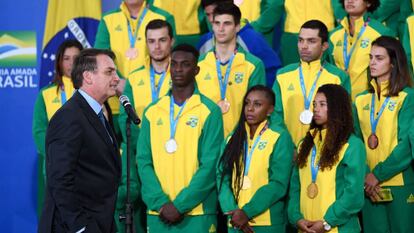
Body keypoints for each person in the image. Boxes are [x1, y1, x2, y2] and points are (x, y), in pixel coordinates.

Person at [136, 44, 224, 232]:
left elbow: (210, 166)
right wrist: (160, 203)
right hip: (158, 213)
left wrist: (180, 205)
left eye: (185, 64)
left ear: (196, 70)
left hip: (197, 213)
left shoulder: (209, 111)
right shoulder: (152, 111)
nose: (178, 69)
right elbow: (143, 161)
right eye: (174, 64)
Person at [38, 49, 121, 233]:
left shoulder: (96, 113)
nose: (116, 78)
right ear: (88, 76)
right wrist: (81, 227)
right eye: (109, 72)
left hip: (100, 221)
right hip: (73, 226)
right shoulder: (69, 117)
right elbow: (59, 180)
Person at [116, 19, 175, 233]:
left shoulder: (179, 75)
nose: (156, 46)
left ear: (171, 41)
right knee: (137, 205)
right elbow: (124, 118)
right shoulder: (135, 77)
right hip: (141, 152)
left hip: (172, 152)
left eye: (162, 40)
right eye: (151, 41)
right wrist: (145, 146)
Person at [353, 36, 414, 233]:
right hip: (369, 186)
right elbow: (355, 144)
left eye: (379, 58)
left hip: (399, 182)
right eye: (370, 57)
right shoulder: (360, 100)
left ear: (394, 62)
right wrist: (365, 175)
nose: (372, 62)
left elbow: (407, 145)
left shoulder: (407, 97)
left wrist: (376, 175)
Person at [288, 84, 366, 233]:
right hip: (306, 228)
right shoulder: (304, 144)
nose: (316, 109)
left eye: (322, 104)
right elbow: (295, 188)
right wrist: (296, 218)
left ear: (337, 107)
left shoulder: (352, 145)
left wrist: (327, 222)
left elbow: (354, 194)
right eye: (314, 104)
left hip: (337, 228)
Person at [217, 85, 294, 233]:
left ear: (270, 110)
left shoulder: (279, 137)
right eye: (247, 103)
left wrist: (247, 212)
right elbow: (222, 176)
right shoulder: (233, 138)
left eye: (257, 104)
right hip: (235, 222)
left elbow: (278, 183)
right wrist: (233, 211)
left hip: (267, 223)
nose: (250, 109)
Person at [94, 0, 175, 137]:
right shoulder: (108, 19)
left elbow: (171, 55)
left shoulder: (163, 17)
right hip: (112, 103)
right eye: (151, 41)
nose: (157, 45)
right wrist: (118, 82)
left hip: (151, 100)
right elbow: (100, 58)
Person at [272, 20, 350, 147]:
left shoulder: (338, 77)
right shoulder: (282, 75)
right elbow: (275, 115)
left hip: (324, 150)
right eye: (300, 40)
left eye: (311, 41)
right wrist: (286, 147)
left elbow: (342, 117)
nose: (304, 46)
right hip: (288, 150)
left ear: (324, 46)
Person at [197, 2, 266, 138]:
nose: (221, 29)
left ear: (237, 27)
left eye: (227, 24)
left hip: (240, 140)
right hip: (206, 140)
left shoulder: (253, 65)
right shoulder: (200, 64)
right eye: (217, 23)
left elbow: (259, 109)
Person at [32, 39, 83, 216]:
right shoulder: (46, 94)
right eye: (66, 58)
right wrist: (60, 154)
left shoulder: (91, 93)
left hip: (85, 166)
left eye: (76, 58)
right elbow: (39, 131)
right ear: (59, 62)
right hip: (56, 167)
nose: (71, 63)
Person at [197, 0, 282, 87]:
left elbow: (272, 70)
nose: (211, 19)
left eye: (215, 13)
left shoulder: (251, 38)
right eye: (208, 14)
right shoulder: (204, 42)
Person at [329, 0, 394, 100]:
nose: (350, 1)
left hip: (368, 104)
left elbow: (393, 71)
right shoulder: (333, 35)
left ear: (368, 2)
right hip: (338, 102)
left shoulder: (381, 32)